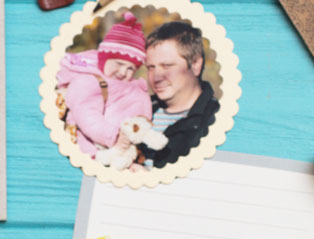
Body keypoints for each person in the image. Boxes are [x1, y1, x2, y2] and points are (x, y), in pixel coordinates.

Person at [56, 12, 153, 156]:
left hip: (122, 149)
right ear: (104, 58)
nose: (122, 71)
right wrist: (113, 137)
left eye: (131, 68)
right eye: (119, 63)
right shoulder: (89, 81)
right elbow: (86, 114)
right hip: (93, 148)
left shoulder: (124, 84)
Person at [135, 20, 220, 168]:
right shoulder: (136, 110)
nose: (156, 77)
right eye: (151, 67)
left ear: (195, 65)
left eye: (167, 65)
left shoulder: (215, 121)